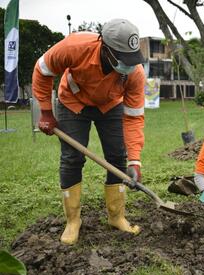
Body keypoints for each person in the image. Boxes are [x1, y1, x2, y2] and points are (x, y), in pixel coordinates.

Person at [32, 19, 146, 245]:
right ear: (106, 48)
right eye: (124, 58)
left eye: (132, 59)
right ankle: (73, 221)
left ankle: (117, 216)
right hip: (73, 102)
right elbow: (42, 70)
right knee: (72, 158)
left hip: (110, 104)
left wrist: (135, 162)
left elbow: (133, 118)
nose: (129, 65)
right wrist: (46, 111)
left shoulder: (135, 74)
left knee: (117, 157)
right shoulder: (74, 47)